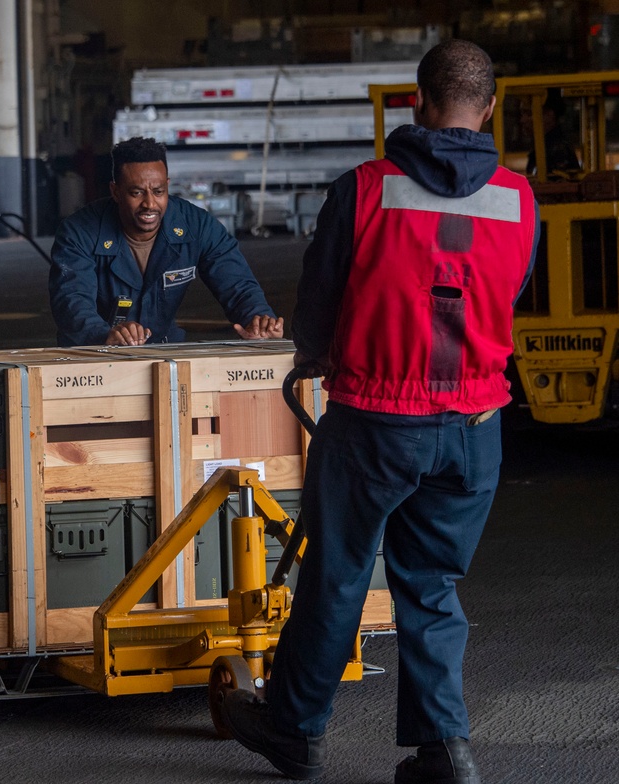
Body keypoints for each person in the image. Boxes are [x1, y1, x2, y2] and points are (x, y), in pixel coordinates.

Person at [221, 40, 539, 784]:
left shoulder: (365, 189)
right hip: (474, 428)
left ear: (417, 102)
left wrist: (317, 353)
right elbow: (509, 291)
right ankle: (444, 750)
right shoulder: (521, 200)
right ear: (489, 109)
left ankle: (294, 732)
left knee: (336, 577)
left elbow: (320, 297)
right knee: (430, 584)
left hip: (375, 423)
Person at [48, 136, 283, 346]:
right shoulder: (79, 232)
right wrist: (103, 335)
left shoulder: (197, 226)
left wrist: (259, 320)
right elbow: (72, 300)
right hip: (93, 354)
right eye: (136, 193)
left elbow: (237, 284)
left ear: (167, 186)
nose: (150, 204)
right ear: (116, 191)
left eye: (158, 191)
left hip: (164, 349)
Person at [526, 89, 580, 177]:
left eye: (529, 114)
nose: (522, 120)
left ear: (549, 115)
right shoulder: (544, 146)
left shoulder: (558, 151)